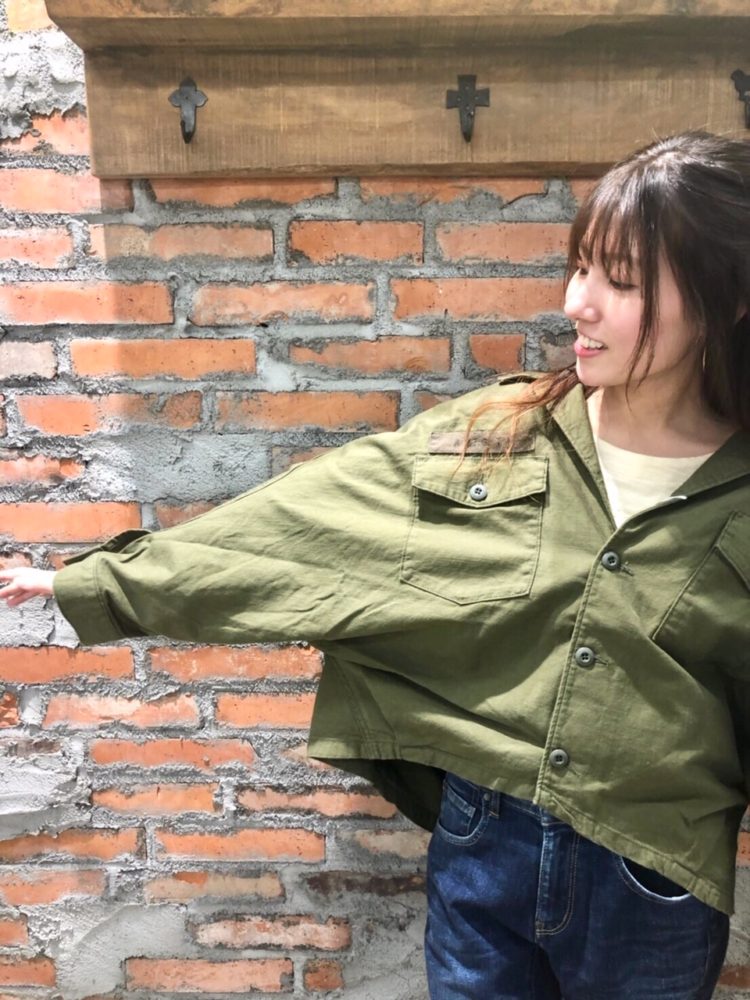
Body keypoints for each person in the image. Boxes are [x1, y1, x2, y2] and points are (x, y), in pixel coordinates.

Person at [2, 129, 749, 999]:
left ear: (727, 300)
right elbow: (299, 527)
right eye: (580, 268)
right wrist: (95, 583)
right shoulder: (500, 435)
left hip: (652, 879)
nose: (577, 302)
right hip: (483, 844)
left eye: (620, 281)